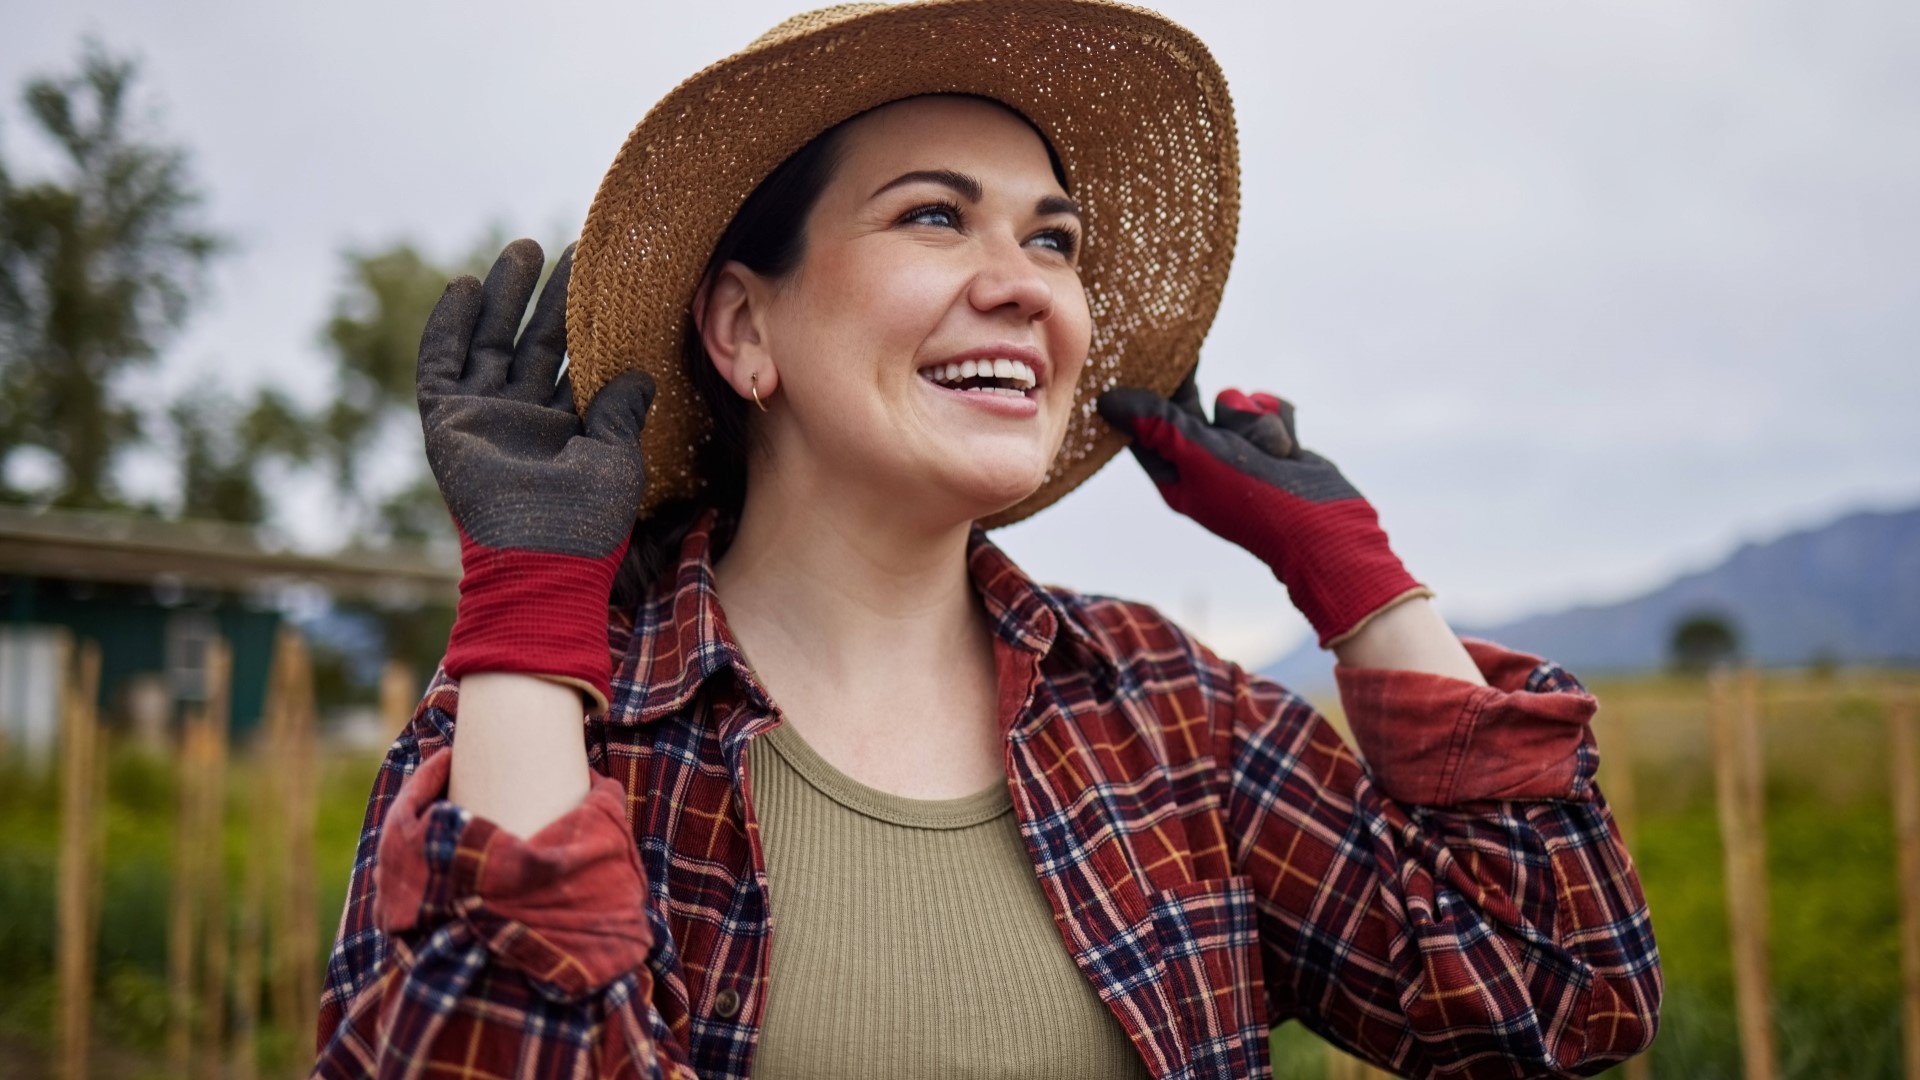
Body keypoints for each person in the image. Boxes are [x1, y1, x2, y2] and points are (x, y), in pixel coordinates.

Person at [314, 3, 1660, 1078]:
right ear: (743, 329)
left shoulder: (1164, 713)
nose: (1025, 286)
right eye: (934, 215)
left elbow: (1556, 998)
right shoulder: (557, 722)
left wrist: (1362, 584)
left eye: (1053, 238)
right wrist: (529, 616)